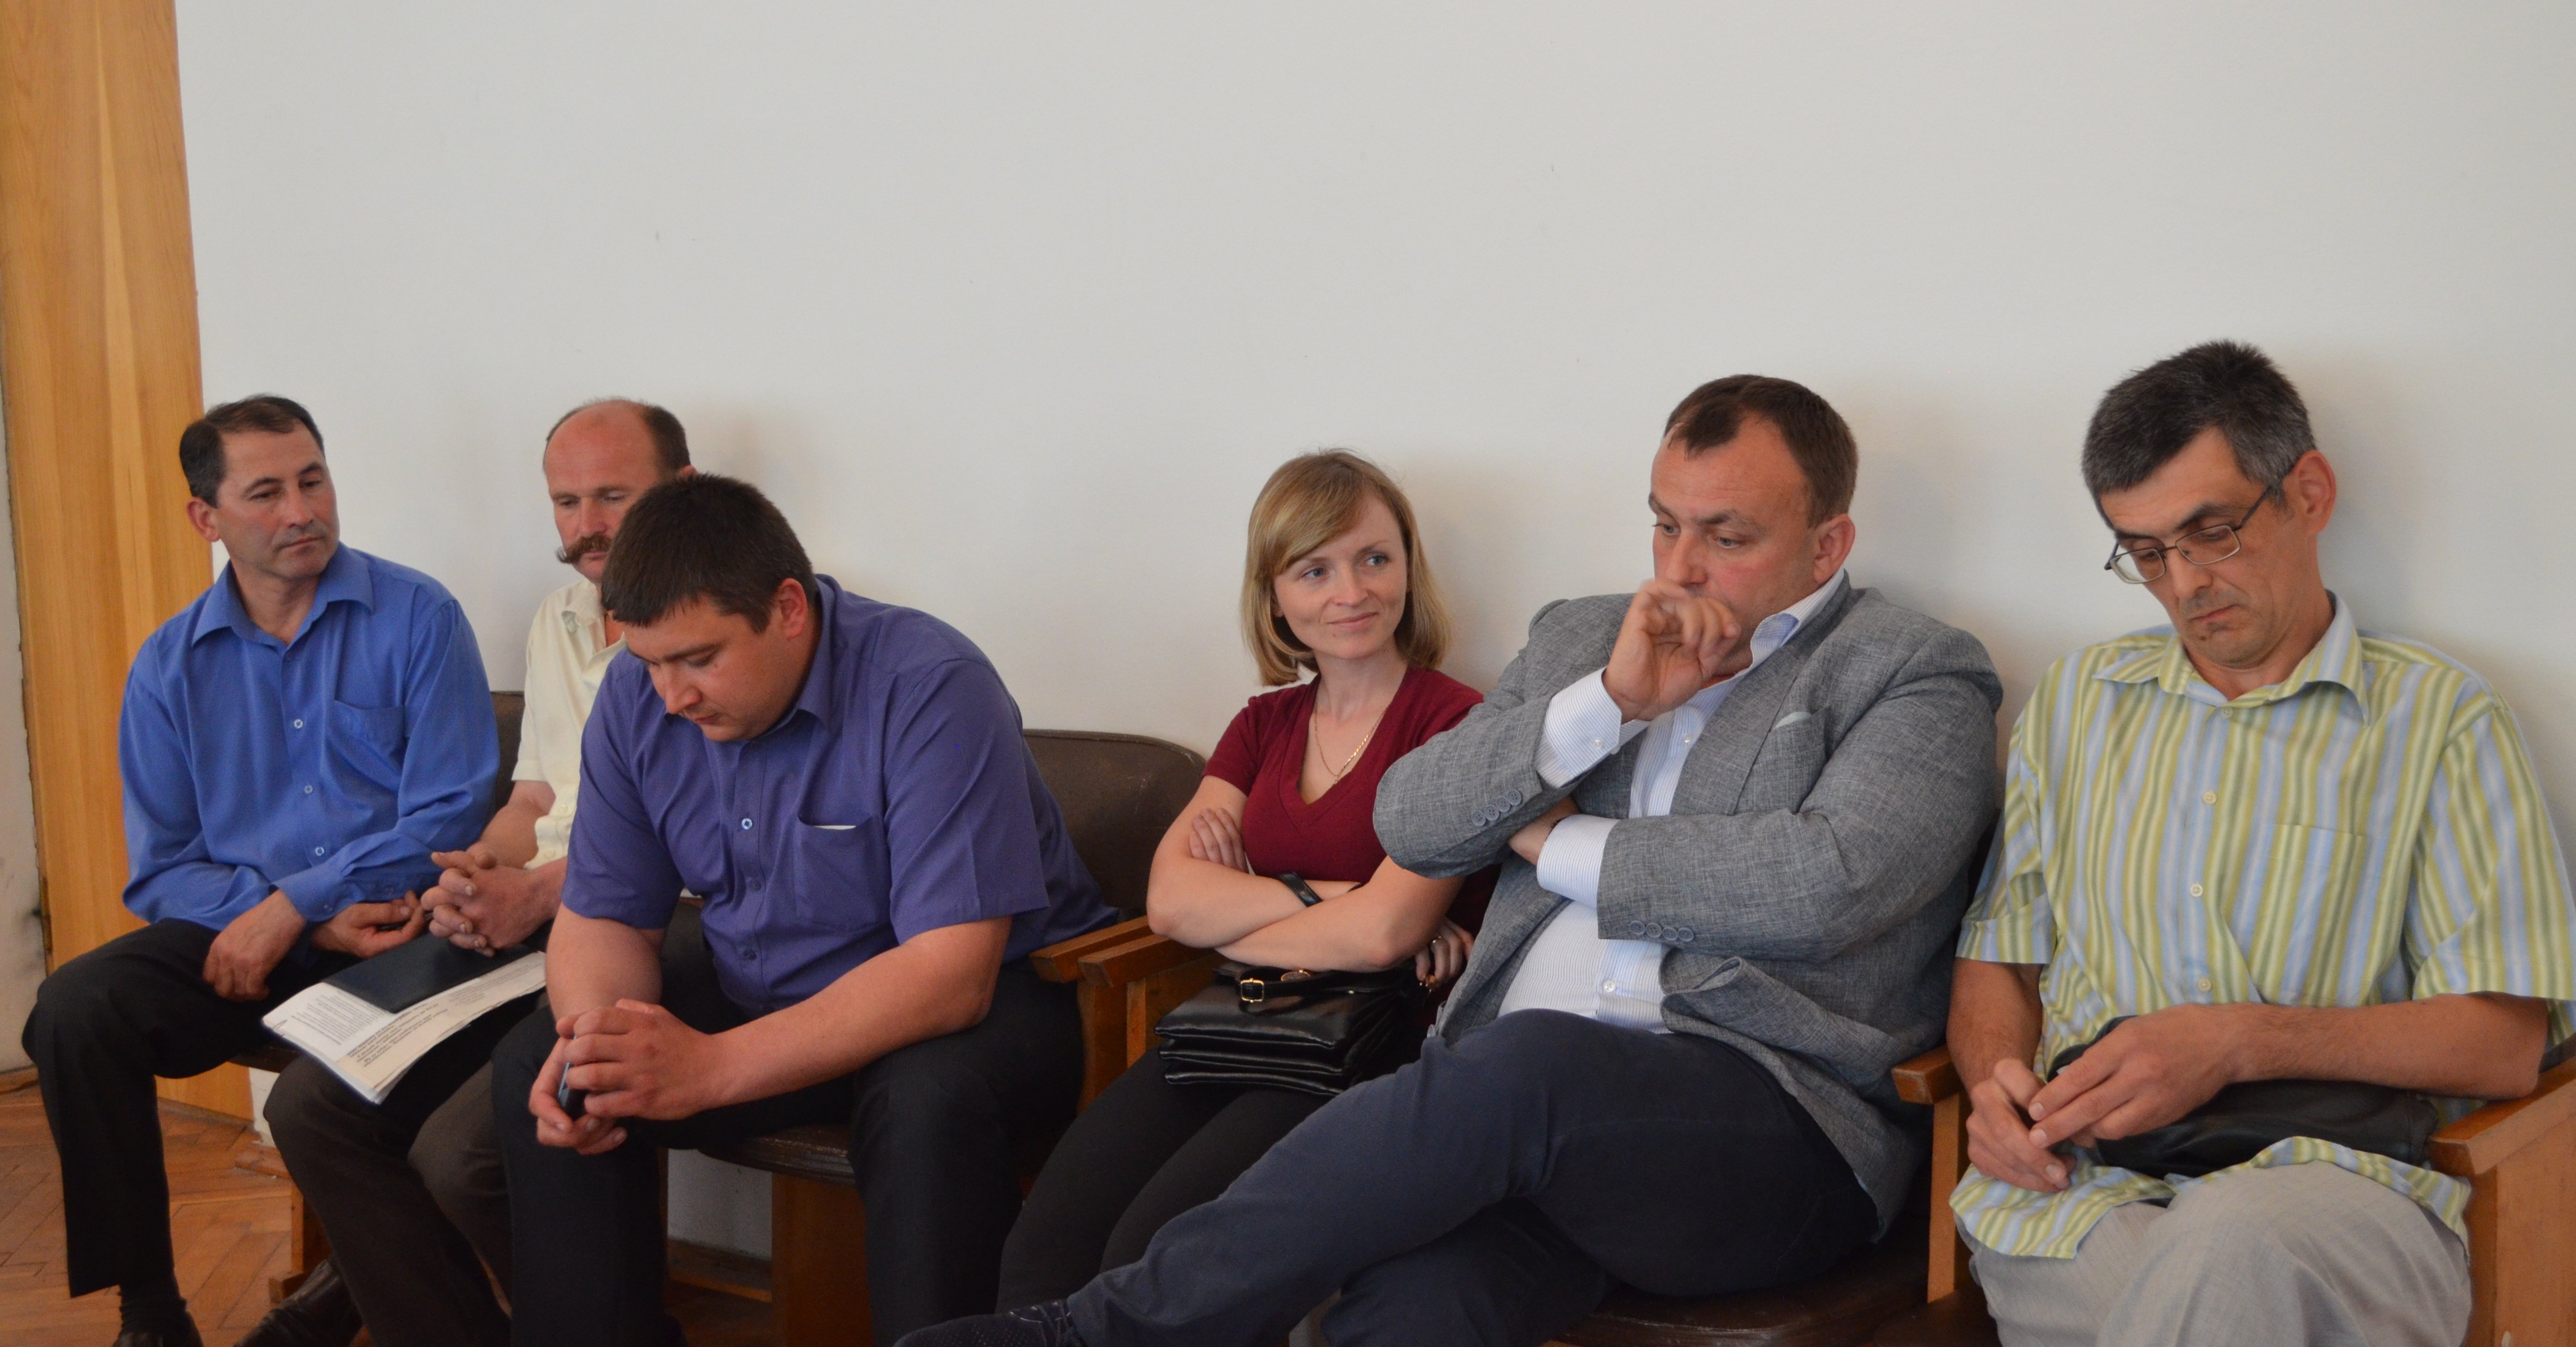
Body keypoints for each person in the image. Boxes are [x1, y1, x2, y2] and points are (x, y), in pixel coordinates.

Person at [904, 374, 2004, 1347]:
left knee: (1532, 1067)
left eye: (1727, 537)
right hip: (1515, 1131)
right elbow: (1417, 818)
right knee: (1408, 1307)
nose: (1679, 570)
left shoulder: (1914, 672)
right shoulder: (1584, 639)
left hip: (1769, 1127)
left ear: (1827, 545)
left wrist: (1553, 839)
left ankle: (1098, 1334)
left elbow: (1825, 883)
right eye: (1665, 525)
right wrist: (1608, 703)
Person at [1945, 341, 2576, 1347]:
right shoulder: (2075, 704)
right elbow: (2001, 956)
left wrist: (2238, 1040)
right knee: (2190, 1295)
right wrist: (1991, 1090)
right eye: (2147, 553)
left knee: (2227, 1249)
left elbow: (2503, 1042)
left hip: (2335, 1185)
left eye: (2213, 532)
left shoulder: (2440, 718)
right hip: (2081, 1192)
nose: (2186, 583)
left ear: (2309, 493)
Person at [489, 472, 1117, 1346]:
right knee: (562, 1061)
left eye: (698, 660)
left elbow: (950, 975)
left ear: (788, 608)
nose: (671, 696)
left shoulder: (932, 684)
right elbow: (605, 917)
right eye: (650, 662)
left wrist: (710, 1068)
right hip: (773, 981)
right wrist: (597, 1042)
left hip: (988, 998)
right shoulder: (638, 698)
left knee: (925, 1103)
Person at [21, 395, 497, 1347]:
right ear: (207, 518)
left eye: (313, 481)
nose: (302, 511)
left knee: (338, 1099)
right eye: (267, 493)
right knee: (75, 1011)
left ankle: (338, 1299)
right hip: (253, 939)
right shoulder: (169, 665)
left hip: (399, 937)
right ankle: (151, 1310)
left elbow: (450, 815)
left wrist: (299, 906)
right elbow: (165, 868)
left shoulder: (419, 616)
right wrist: (289, 918)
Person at [246, 399, 692, 1347]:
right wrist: (478, 870)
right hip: (535, 912)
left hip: (646, 920)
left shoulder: (711, 632)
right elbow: (533, 798)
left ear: (684, 491)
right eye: (566, 502)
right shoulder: (560, 618)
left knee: (462, 1156)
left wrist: (534, 894)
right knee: (310, 1107)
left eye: (613, 497)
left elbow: (688, 843)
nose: (587, 527)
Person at [998, 451, 1486, 1306]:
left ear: (1409, 567)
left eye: (1375, 558)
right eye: (1315, 570)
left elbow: (1384, 940)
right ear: (1274, 595)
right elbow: (1171, 904)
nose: (1352, 591)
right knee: (1048, 1238)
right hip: (1247, 1013)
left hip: (1379, 1044)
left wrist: (1252, 915)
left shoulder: (1454, 722)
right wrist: (1342, 898)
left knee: (1152, 1252)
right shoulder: (1263, 724)